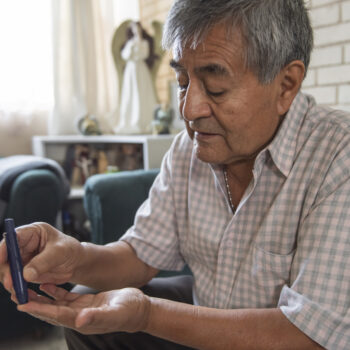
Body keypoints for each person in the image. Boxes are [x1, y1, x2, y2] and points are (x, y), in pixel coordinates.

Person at [1, 0, 349, 349]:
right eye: (183, 81)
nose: (189, 109)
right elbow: (140, 255)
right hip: (207, 309)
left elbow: (307, 335)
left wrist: (148, 315)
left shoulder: (337, 156)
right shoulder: (190, 147)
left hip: (281, 337)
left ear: (286, 85)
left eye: (215, 88)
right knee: (91, 306)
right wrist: (74, 256)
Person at [114, 21, 158, 135]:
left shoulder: (144, 42)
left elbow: (144, 54)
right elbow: (125, 55)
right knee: (131, 94)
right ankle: (131, 121)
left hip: (141, 70)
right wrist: (132, 45)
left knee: (142, 93)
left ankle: (144, 121)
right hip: (131, 71)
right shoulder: (129, 43)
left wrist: (137, 44)